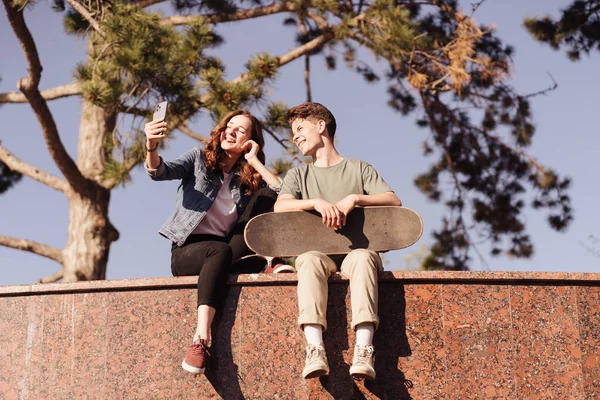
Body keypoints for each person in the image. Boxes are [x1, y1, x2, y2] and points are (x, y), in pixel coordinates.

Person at [145, 109, 292, 375]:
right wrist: (151, 146)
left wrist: (254, 161)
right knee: (219, 250)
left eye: (240, 130)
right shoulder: (198, 158)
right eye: (229, 125)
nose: (231, 131)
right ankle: (201, 338)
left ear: (250, 141)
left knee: (266, 196)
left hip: (225, 250)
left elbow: (282, 192)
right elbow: (159, 171)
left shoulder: (246, 176)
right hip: (188, 252)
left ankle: (271, 259)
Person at [274, 102, 401, 380]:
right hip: (321, 255)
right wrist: (315, 203)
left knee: (365, 258)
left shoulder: (359, 169)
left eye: (300, 129)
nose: (295, 137)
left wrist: (355, 198)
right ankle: (315, 348)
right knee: (307, 260)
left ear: (321, 126)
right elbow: (280, 206)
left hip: (356, 252)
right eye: (293, 132)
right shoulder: (299, 175)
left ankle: (364, 350)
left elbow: (393, 200)